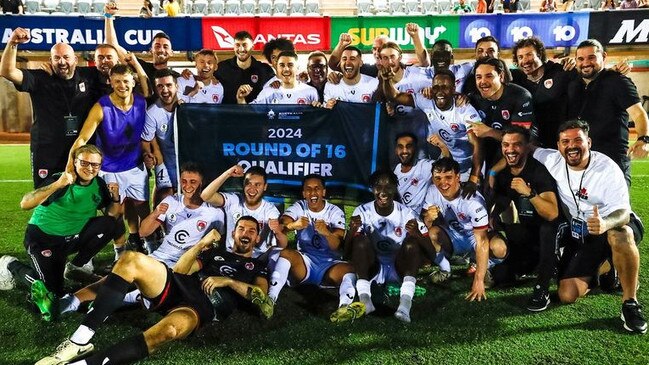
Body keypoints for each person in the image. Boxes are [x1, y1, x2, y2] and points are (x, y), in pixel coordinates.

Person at [34, 216, 271, 365]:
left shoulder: (259, 266)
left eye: (251, 230)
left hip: (202, 306)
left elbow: (264, 302)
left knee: (167, 331)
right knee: (130, 259)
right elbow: (180, 270)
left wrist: (227, 282)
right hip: (180, 285)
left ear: (257, 237)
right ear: (234, 233)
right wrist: (200, 245)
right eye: (241, 228)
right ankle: (80, 340)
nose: (245, 233)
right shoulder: (216, 254)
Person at [56, 162, 226, 316]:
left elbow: (218, 242)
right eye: (184, 181)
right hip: (158, 256)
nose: (188, 186)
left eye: (193, 182)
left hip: (181, 266)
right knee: (116, 278)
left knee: (138, 289)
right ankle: (73, 300)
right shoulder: (172, 201)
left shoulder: (214, 212)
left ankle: (102, 305)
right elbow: (144, 232)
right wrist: (157, 213)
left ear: (202, 184)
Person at [532, 119, 646, 334]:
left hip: (614, 223)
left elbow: (623, 212)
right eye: (565, 141)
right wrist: (491, 133)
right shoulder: (552, 159)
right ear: (558, 146)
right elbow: (525, 147)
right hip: (585, 232)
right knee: (567, 294)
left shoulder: (607, 169)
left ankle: (630, 303)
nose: (571, 145)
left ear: (589, 142)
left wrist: (605, 223)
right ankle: (608, 268)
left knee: (619, 236)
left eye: (578, 140)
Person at [0, 145, 120, 320]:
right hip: (43, 240)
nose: (90, 168)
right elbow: (25, 203)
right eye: (85, 163)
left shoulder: (99, 184)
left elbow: (112, 214)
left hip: (71, 240)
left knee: (110, 224)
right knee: (50, 293)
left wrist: (115, 196)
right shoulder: (62, 181)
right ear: (75, 162)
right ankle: (10, 264)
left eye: (95, 165)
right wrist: (58, 183)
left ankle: (74, 267)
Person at [0, 28, 102, 188]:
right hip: (47, 150)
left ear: (75, 59)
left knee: (80, 196)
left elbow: (115, 66)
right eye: (57, 58)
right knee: (46, 195)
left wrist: (109, 17)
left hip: (79, 149)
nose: (62, 62)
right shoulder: (40, 77)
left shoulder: (90, 76)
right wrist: (12, 43)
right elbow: (7, 71)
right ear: (50, 60)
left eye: (66, 57)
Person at [66, 64, 150, 257]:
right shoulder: (101, 107)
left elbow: (147, 86)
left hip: (135, 166)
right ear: (110, 82)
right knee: (114, 214)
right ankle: (119, 252)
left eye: (126, 81)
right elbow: (82, 139)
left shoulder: (141, 101)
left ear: (133, 82)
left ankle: (145, 244)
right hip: (110, 169)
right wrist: (70, 165)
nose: (122, 85)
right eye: (117, 81)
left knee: (142, 208)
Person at [267, 175, 359, 321]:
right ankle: (270, 299)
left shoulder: (334, 211)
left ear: (323, 192)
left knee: (350, 270)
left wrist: (327, 233)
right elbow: (281, 225)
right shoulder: (299, 206)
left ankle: (344, 308)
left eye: (317, 189)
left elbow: (337, 245)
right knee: (286, 253)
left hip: (329, 264)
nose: (313, 193)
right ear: (304, 193)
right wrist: (293, 225)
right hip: (305, 262)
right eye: (308, 189)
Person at [490, 126, 560, 312]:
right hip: (526, 238)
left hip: (549, 236)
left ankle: (542, 287)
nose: (510, 149)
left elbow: (552, 213)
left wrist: (529, 193)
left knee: (547, 228)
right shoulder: (504, 175)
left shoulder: (538, 171)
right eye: (506, 145)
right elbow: (498, 205)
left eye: (516, 145)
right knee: (499, 276)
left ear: (527, 147)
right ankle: (532, 264)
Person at [347, 170, 430, 323]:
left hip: (399, 266)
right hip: (374, 266)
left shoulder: (406, 213)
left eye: (389, 186)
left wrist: (417, 233)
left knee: (412, 244)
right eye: (378, 186)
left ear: (395, 188)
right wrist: (352, 230)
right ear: (372, 189)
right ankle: (365, 300)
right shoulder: (362, 211)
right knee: (360, 241)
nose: (383, 192)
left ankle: (405, 305)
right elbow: (345, 254)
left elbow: (431, 253)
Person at [567, 39, 649, 186]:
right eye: (580, 59)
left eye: (591, 57)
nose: (585, 63)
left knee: (617, 208)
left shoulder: (618, 82)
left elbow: (638, 114)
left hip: (612, 160)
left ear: (604, 57)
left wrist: (643, 139)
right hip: (582, 160)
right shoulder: (574, 82)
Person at [423, 158, 504, 301]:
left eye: (448, 177)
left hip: (475, 238)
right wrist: (428, 218)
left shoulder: (472, 201)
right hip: (454, 237)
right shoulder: (432, 191)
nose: (443, 183)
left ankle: (484, 267)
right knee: (432, 234)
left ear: (458, 177)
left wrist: (478, 281)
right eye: (438, 178)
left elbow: (482, 240)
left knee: (499, 248)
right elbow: (426, 225)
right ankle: (445, 270)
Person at [383, 69, 483, 186]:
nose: (440, 92)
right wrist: (386, 81)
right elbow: (395, 96)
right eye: (436, 87)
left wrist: (474, 178)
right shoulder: (426, 101)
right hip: (449, 161)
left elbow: (478, 144)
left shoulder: (464, 109)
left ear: (453, 89)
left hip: (470, 165)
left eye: (445, 87)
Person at [201, 165, 288, 260]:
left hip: (257, 260)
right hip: (230, 256)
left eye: (257, 185)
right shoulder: (233, 200)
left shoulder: (270, 210)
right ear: (243, 184)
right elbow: (206, 196)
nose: (252, 189)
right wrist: (228, 173)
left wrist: (277, 231)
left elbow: (282, 245)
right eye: (248, 183)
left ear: (265, 187)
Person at [468, 57, 535, 169]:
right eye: (478, 77)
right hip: (488, 150)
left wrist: (489, 132)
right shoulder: (473, 97)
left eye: (489, 76)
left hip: (519, 153)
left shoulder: (520, 96)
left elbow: (521, 139)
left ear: (501, 76)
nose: (483, 82)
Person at [511, 37, 576, 148]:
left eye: (529, 55)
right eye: (520, 57)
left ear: (540, 55)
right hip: (534, 146)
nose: (525, 61)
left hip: (562, 143)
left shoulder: (560, 71)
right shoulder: (518, 81)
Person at [142, 69, 180, 206]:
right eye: (160, 86)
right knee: (165, 195)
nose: (165, 90)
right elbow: (146, 141)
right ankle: (159, 226)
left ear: (176, 86)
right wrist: (148, 154)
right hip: (165, 158)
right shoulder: (152, 113)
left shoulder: (188, 104)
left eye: (169, 85)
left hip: (188, 157)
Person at [215, 30, 275, 104]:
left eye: (244, 45)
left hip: (256, 115)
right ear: (233, 47)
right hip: (228, 114)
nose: (241, 49)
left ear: (252, 47)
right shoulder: (221, 67)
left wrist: (277, 82)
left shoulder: (265, 70)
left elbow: (276, 88)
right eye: (237, 45)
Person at [237, 51, 318, 105]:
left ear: (297, 67)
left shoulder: (310, 92)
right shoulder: (268, 92)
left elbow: (318, 120)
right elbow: (250, 114)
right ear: (277, 68)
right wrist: (241, 99)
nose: (286, 69)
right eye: (282, 65)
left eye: (290, 65)